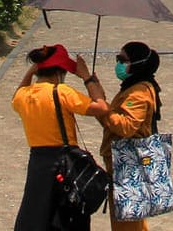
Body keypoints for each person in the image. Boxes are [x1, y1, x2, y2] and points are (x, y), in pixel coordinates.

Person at [12, 43, 107, 231]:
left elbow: (17, 93)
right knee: (66, 216)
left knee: (36, 215)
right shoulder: (62, 92)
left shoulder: (23, 95)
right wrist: (87, 77)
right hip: (64, 163)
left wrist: (31, 72)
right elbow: (102, 108)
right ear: (60, 72)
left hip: (38, 163)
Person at [98, 41, 164, 231]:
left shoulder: (138, 93)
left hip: (129, 164)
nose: (118, 64)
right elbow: (113, 122)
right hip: (124, 162)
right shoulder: (133, 86)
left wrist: (103, 109)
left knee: (127, 223)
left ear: (137, 63)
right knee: (131, 220)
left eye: (122, 59)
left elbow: (125, 127)